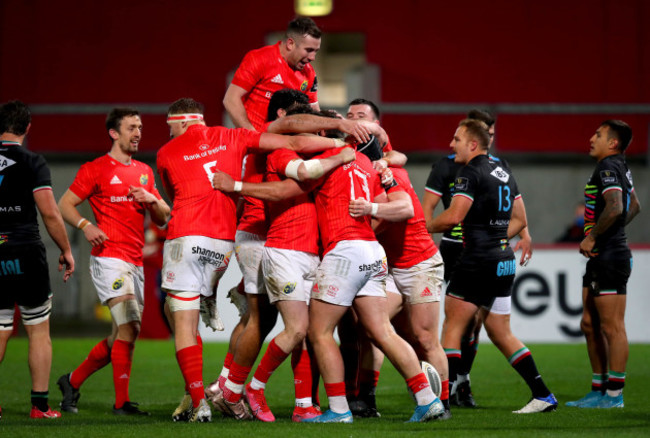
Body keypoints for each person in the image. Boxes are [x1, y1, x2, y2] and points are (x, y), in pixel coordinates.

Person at [214, 135, 445, 423]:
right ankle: (427, 399)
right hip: (373, 251)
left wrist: (237, 186)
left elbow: (291, 185)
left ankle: (337, 409)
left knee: (318, 332)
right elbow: (389, 203)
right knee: (383, 331)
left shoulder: (324, 164)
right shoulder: (367, 166)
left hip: (344, 252)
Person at [156, 98, 351, 422]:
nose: (309, 124)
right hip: (259, 235)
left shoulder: (180, 149)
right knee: (263, 321)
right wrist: (340, 138)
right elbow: (292, 148)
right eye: (303, 118)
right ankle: (231, 389)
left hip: (236, 235)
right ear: (285, 115)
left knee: (267, 321)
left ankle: (238, 389)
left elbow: (174, 191)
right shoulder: (258, 135)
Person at [428, 118, 557, 414]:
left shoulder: (468, 173)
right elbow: (520, 220)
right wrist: (496, 237)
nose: (452, 145)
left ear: (473, 144)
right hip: (503, 260)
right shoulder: (503, 171)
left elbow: (452, 218)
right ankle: (543, 394)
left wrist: (424, 227)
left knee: (452, 329)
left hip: (476, 261)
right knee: (500, 332)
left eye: (457, 139)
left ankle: (444, 404)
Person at [57, 108, 170, 416]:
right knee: (131, 325)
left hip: (135, 262)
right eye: (132, 127)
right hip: (109, 258)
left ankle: (71, 381)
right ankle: (121, 404)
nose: (138, 133)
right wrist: (85, 225)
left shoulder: (144, 172)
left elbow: (162, 219)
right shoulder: (96, 169)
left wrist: (153, 201)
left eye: (141, 127)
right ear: (114, 133)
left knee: (121, 333)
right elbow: (64, 204)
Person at [0, 100, 75, 420]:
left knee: (1, 326)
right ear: (27, 128)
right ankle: (40, 406)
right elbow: (49, 212)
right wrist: (66, 250)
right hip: (25, 250)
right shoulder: (32, 161)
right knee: (37, 328)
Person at [566, 120, 640, 408]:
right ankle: (598, 389)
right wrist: (611, 233)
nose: (591, 137)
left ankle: (614, 395)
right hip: (604, 256)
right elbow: (634, 205)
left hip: (610, 256)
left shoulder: (608, 167)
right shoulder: (619, 167)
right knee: (589, 323)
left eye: (598, 134)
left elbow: (617, 206)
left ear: (613, 143)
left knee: (612, 327)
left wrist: (595, 237)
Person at [223, 16, 321, 131]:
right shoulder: (259, 59)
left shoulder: (309, 73)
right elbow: (230, 100)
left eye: (316, 51)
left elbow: (314, 110)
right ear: (290, 44)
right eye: (309, 50)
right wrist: (254, 137)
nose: (313, 57)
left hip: (286, 145)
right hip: (253, 142)